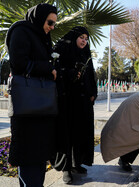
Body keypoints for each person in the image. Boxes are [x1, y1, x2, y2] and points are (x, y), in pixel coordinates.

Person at [5, 3, 57, 186]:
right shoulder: (21, 31)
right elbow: (19, 63)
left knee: (38, 158)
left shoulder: (42, 37)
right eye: (49, 22)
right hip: (27, 108)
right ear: (39, 17)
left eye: (54, 24)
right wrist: (48, 69)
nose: (51, 27)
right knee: (29, 159)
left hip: (41, 107)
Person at [50, 26, 98, 184]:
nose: (84, 41)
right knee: (67, 133)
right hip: (67, 101)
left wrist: (93, 92)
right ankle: (66, 168)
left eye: (86, 38)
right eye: (81, 37)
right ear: (74, 38)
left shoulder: (85, 54)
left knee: (80, 132)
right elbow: (56, 72)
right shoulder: (63, 51)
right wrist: (69, 74)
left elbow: (91, 74)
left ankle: (76, 164)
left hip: (83, 102)